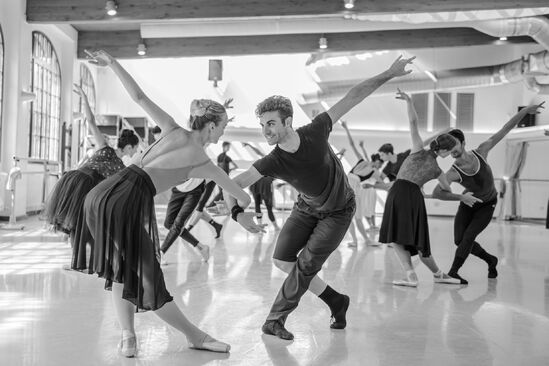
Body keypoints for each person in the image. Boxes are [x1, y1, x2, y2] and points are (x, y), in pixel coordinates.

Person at [75, 50, 262, 357]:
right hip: (128, 201)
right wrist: (241, 213)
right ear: (212, 126)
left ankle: (128, 337)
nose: (224, 131)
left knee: (123, 269)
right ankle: (195, 336)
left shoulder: (171, 127)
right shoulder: (205, 163)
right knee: (149, 278)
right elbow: (239, 194)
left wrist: (112, 62)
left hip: (101, 196)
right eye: (224, 125)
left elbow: (137, 95)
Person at [225, 55, 416, 340]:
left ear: (288, 121)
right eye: (263, 125)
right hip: (306, 208)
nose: (265, 130)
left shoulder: (316, 130)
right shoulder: (273, 160)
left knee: (306, 265)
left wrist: (388, 73)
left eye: (271, 123)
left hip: (339, 212)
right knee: (282, 260)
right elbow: (232, 184)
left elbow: (354, 96)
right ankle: (336, 301)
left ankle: (275, 319)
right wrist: (237, 215)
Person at [432, 101, 545, 284]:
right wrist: (460, 197)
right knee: (459, 241)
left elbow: (505, 129)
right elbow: (438, 193)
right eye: (448, 146)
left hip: (487, 204)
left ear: (462, 142)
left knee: (468, 237)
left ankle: (453, 272)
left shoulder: (482, 151)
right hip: (468, 203)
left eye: (454, 144)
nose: (452, 149)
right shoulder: (453, 172)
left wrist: (525, 110)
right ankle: (490, 260)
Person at [379, 89, 463, 287]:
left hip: (399, 193)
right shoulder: (437, 169)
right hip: (414, 197)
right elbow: (446, 189)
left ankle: (411, 275)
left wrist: (409, 101)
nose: (450, 154)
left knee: (396, 237)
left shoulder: (418, 149)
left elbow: (413, 123)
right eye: (449, 152)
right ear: (442, 150)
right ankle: (438, 274)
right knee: (418, 239)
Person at [44, 84, 138, 241]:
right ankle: (76, 258)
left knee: (79, 224)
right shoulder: (106, 147)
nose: (135, 152)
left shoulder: (120, 165)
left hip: (83, 185)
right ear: (129, 147)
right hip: (81, 182)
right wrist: (84, 97)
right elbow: (91, 122)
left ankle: (76, 258)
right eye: (135, 149)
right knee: (76, 223)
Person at [340, 121, 384, 246]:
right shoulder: (363, 161)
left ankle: (366, 240)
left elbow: (382, 181)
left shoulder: (374, 172)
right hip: (346, 184)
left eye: (381, 165)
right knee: (348, 217)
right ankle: (356, 240)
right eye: (380, 163)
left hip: (354, 189)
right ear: (375, 161)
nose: (380, 166)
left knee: (357, 217)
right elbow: (352, 145)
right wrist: (346, 128)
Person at [160, 177, 211, 264]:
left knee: (178, 223)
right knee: (169, 223)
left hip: (195, 190)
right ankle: (201, 247)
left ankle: (159, 253)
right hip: (178, 188)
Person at [242, 142, 280, 230]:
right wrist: (250, 145)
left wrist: (249, 145)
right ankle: (273, 226)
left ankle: (270, 226)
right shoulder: (271, 161)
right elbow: (258, 152)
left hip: (259, 183)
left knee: (262, 206)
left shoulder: (274, 163)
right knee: (266, 206)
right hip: (260, 183)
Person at [207, 141, 238, 207]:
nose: (229, 148)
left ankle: (220, 207)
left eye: (229, 147)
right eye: (228, 147)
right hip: (223, 177)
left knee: (223, 192)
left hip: (219, 176)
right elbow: (236, 166)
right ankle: (211, 206)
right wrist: (229, 170)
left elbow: (218, 167)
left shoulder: (219, 156)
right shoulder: (226, 157)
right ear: (224, 147)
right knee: (223, 192)